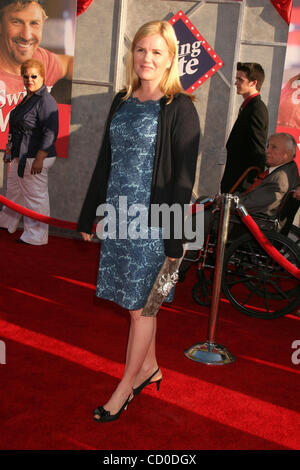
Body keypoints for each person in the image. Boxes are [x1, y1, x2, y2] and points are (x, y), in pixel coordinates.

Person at [77, 20, 200, 423]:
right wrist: (91, 213)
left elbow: (183, 179)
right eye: (141, 50)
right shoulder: (122, 100)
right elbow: (105, 162)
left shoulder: (180, 107)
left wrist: (176, 241)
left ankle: (125, 387)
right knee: (135, 308)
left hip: (154, 223)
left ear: (170, 60)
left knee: (143, 309)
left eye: (157, 52)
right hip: (117, 217)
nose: (147, 58)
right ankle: (149, 369)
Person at [180, 133, 299, 279]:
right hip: (254, 219)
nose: (267, 150)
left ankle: (185, 260)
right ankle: (186, 246)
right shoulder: (287, 169)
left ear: (286, 154)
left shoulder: (280, 179)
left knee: (201, 217)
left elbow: (251, 205)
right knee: (204, 200)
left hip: (248, 227)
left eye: (273, 147)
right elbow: (254, 200)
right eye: (268, 146)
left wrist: (224, 200)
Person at [0, 58, 58, 244]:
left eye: (34, 76)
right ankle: (7, 222)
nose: (29, 80)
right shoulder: (28, 98)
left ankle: (36, 236)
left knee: (35, 197)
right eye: (26, 76)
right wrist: (9, 152)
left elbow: (51, 132)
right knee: (14, 190)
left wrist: (40, 158)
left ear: (42, 77)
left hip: (35, 157)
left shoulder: (45, 100)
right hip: (20, 156)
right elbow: (16, 129)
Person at [0, 0, 73, 95]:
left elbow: (69, 64)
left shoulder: (42, 60)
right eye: (16, 22)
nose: (26, 36)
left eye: (34, 23)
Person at [221, 62, 269, 193]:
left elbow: (258, 150)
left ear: (253, 83)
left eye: (240, 79)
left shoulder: (256, 109)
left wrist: (249, 185)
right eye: (236, 78)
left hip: (241, 186)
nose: (236, 82)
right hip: (235, 181)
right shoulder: (248, 106)